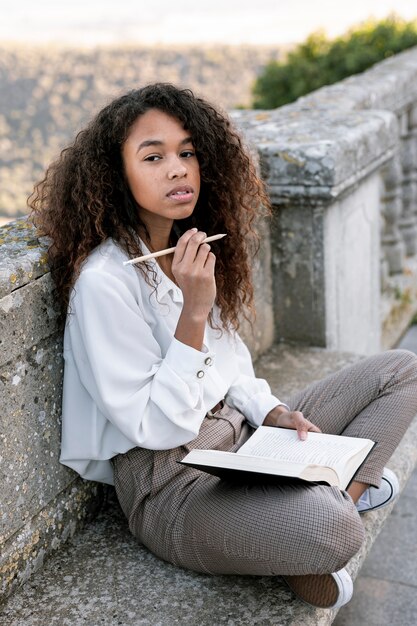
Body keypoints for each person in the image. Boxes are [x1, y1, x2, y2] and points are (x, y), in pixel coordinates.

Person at [29, 82, 417, 610]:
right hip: (171, 485)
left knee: (401, 370)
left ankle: (318, 500)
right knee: (335, 528)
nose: (177, 168)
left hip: (241, 437)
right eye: (154, 156)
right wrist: (192, 310)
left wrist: (274, 410)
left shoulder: (185, 245)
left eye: (187, 152)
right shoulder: (106, 282)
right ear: (115, 174)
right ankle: (330, 502)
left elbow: (232, 365)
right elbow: (159, 428)